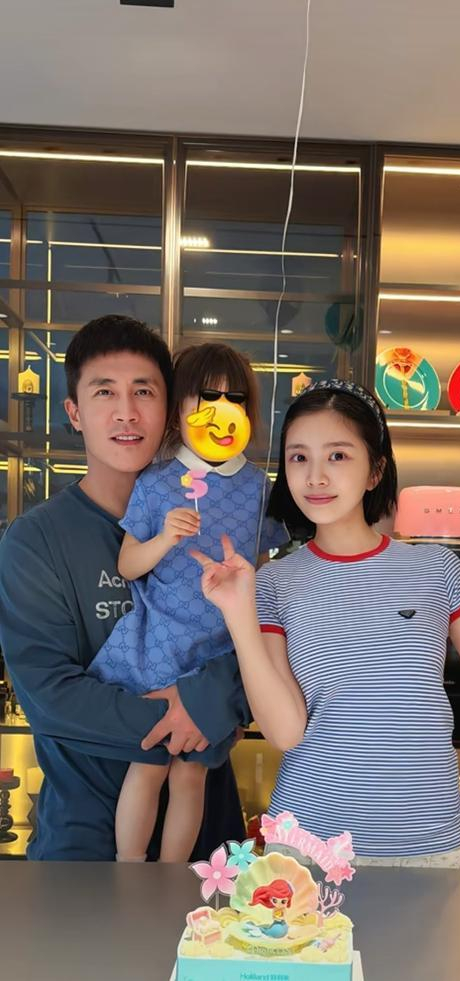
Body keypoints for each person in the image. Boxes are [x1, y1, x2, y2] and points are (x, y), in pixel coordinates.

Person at [191, 378, 460, 870]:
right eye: (298, 458)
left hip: (428, 841)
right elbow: (286, 732)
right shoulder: (272, 583)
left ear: (375, 470)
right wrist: (238, 614)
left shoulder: (435, 569)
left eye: (337, 456)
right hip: (310, 847)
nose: (315, 477)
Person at [0, 316, 247, 860]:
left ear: (170, 410)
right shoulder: (37, 540)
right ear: (74, 412)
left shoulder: (218, 522)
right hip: (84, 843)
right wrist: (192, 715)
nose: (127, 412)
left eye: (144, 392)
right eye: (104, 392)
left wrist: (213, 698)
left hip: (209, 846)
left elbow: (266, 643)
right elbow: (49, 694)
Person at [88, 342, 288, 862]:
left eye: (234, 399)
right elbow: (128, 565)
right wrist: (164, 539)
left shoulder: (257, 487)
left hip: (219, 653)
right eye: (206, 397)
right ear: (179, 408)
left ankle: (170, 877)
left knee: (192, 776)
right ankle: (130, 872)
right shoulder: (155, 483)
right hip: (159, 649)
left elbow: (262, 568)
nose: (221, 409)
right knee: (148, 766)